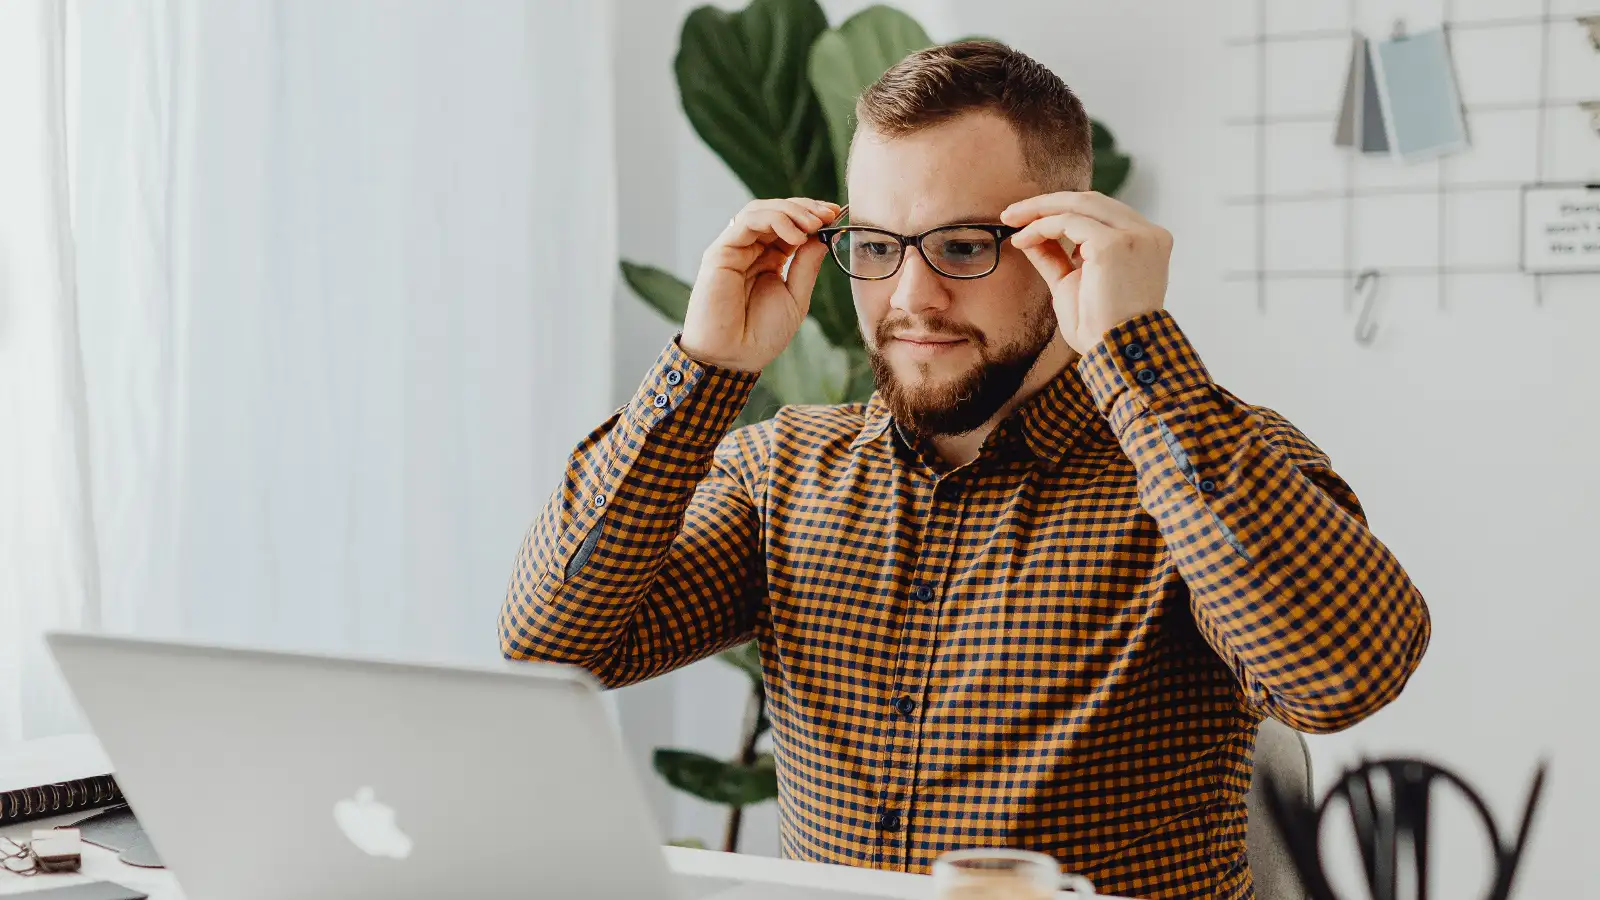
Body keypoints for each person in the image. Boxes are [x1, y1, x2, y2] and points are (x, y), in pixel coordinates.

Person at [500, 41, 1430, 900]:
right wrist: (705, 364)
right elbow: (554, 647)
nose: (910, 298)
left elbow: (1341, 677)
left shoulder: (1204, 463)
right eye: (877, 246)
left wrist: (1137, 350)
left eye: (961, 246)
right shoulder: (783, 470)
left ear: (1065, 242)